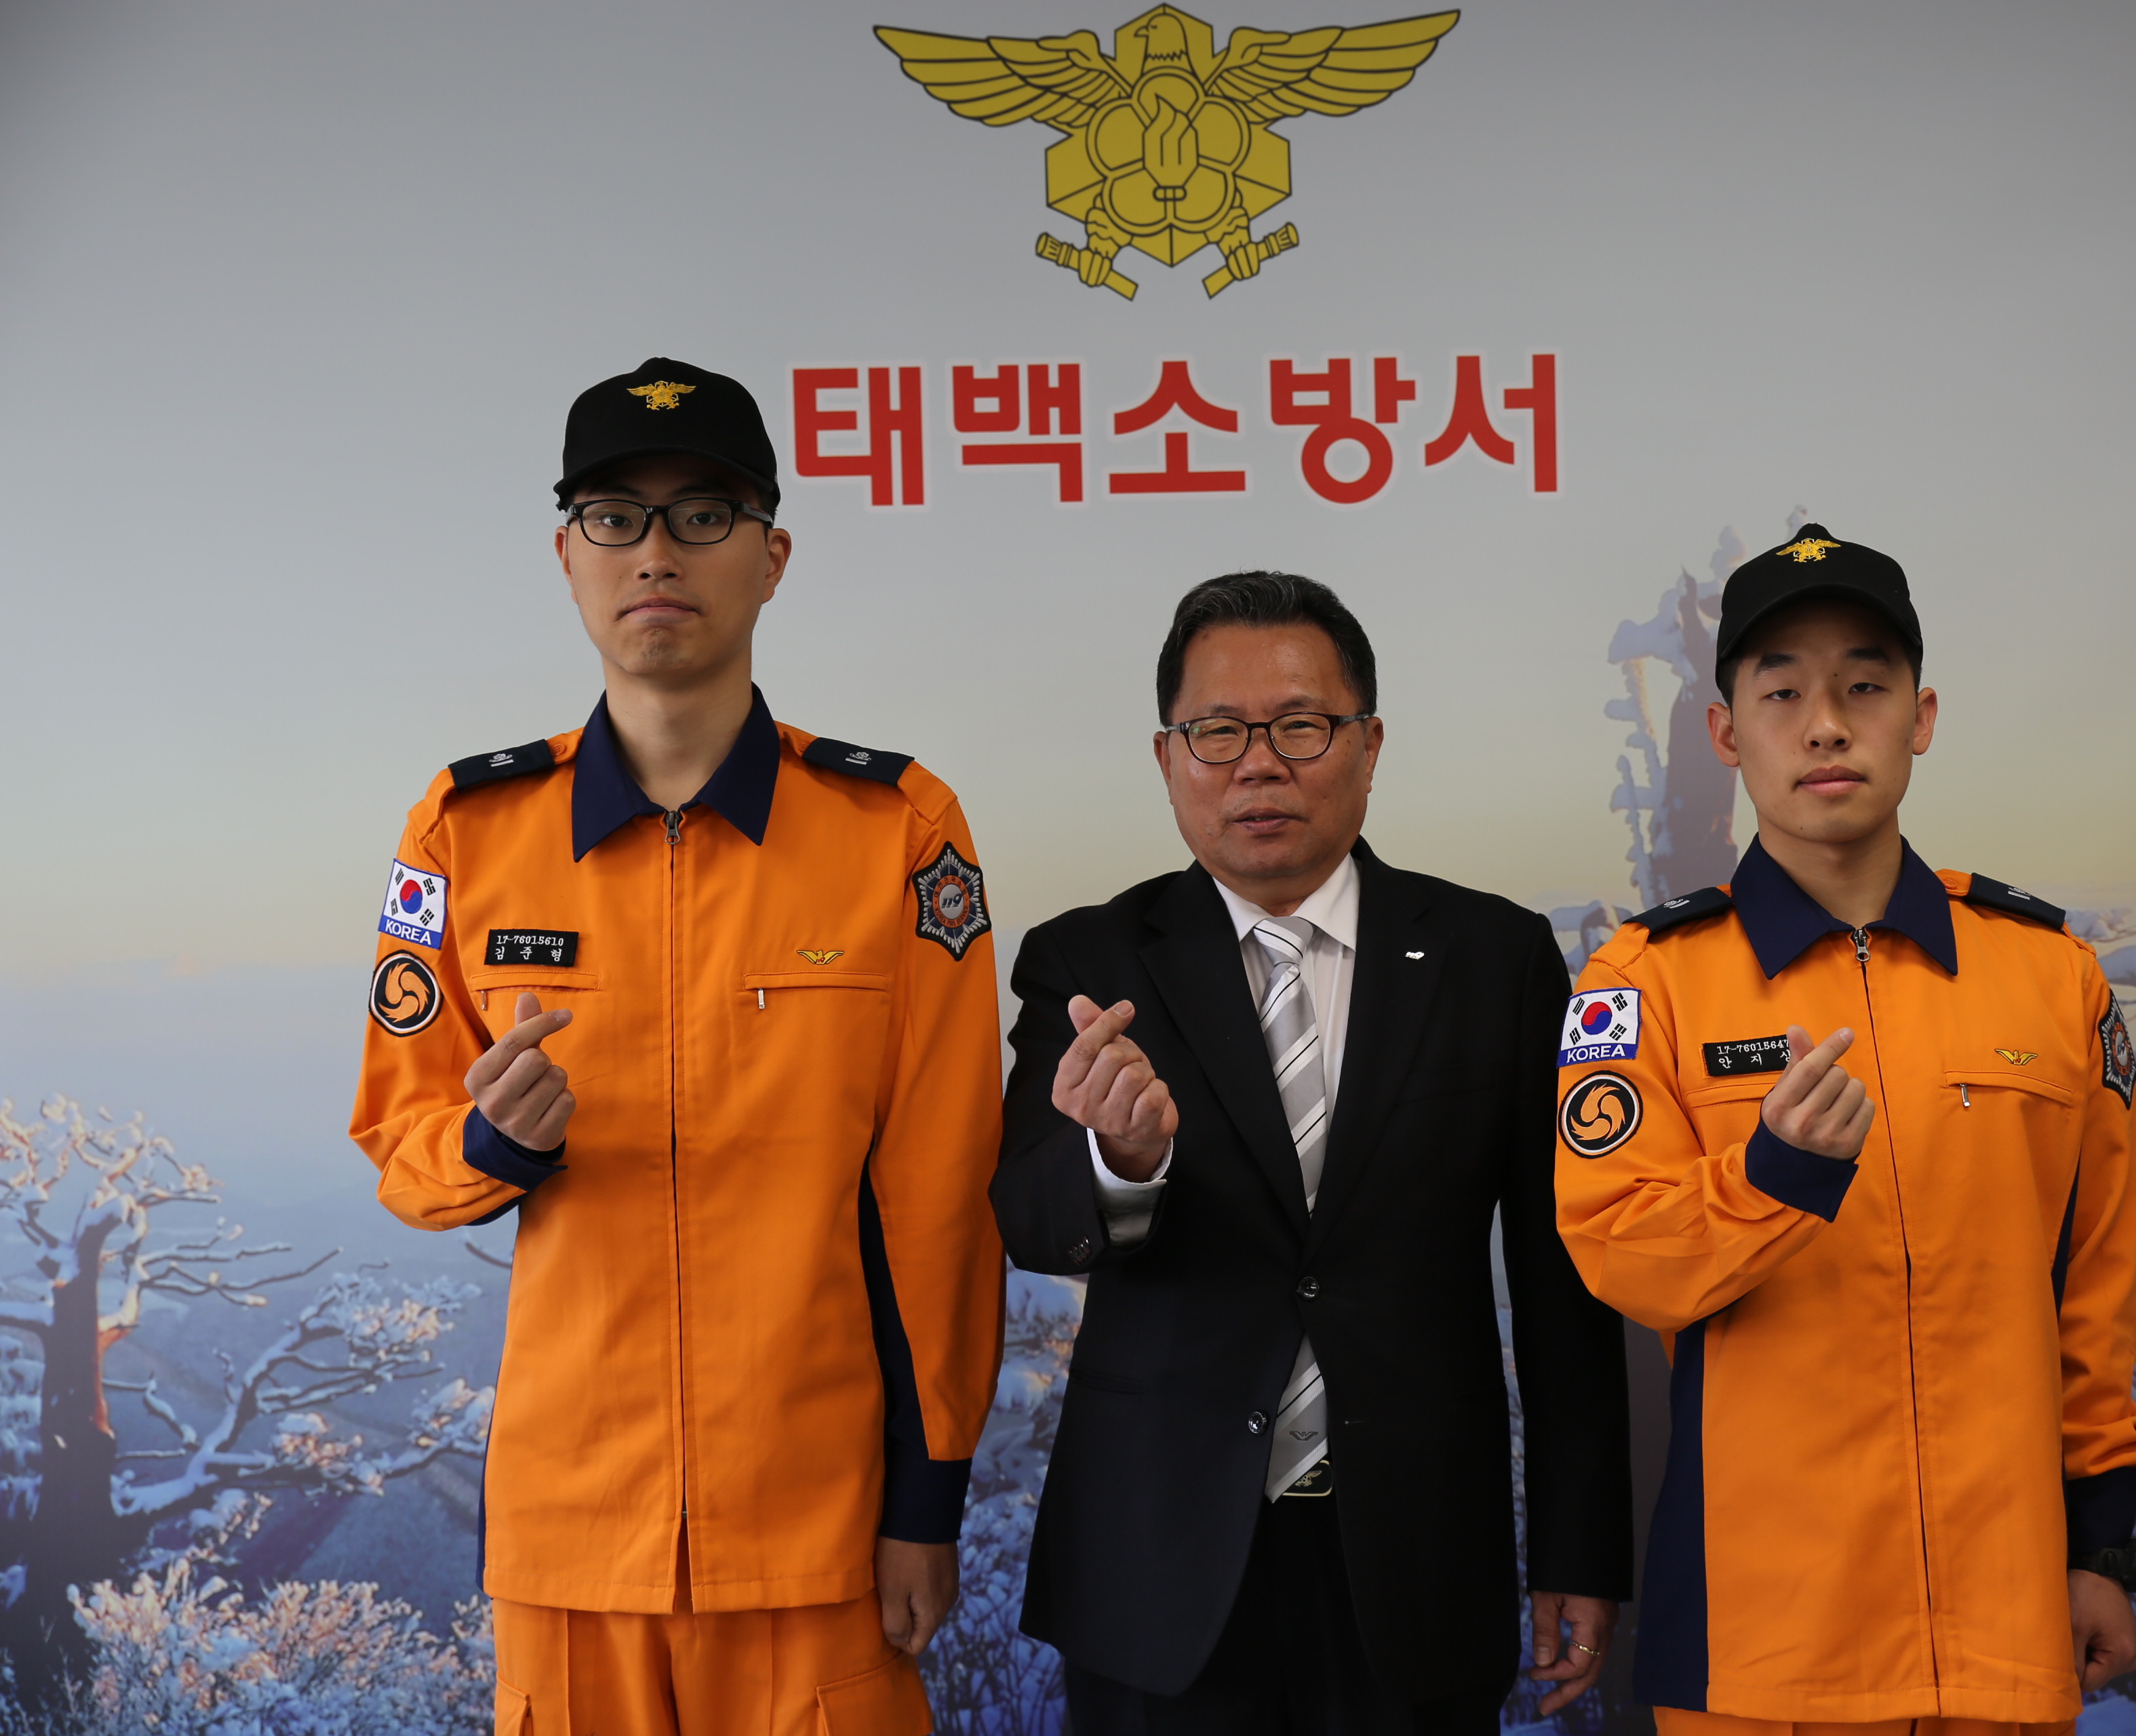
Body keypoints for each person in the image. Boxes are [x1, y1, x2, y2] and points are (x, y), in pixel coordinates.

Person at [349, 358, 1005, 1736]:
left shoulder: (896, 827)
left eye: (704, 514)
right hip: (569, 1539)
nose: (656, 553)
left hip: (821, 1531)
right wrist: (490, 1143)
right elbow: (401, 1144)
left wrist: (928, 1493)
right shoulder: (463, 829)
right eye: (615, 516)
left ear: (773, 557)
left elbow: (941, 1186)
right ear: (567, 557)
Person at [991, 572, 1635, 1733]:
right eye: (1217, 732)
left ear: (1369, 744)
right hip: (1160, 1564)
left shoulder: (1493, 957)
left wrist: (1579, 1549)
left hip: (1417, 1559)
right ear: (1167, 757)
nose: (1258, 765)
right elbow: (1033, 1218)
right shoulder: (1089, 960)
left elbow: (1561, 1283)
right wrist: (1120, 1160)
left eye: (1300, 726)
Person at [1553, 526, 2136, 1735]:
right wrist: (1774, 1178)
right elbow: (1621, 1253)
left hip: (2004, 1635)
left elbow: (2096, 1287)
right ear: (1726, 733)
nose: (1826, 726)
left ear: (1921, 718)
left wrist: (2100, 1547)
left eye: (1866, 687)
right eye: (1782, 692)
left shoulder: (2051, 976)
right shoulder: (1642, 981)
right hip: (1763, 1647)